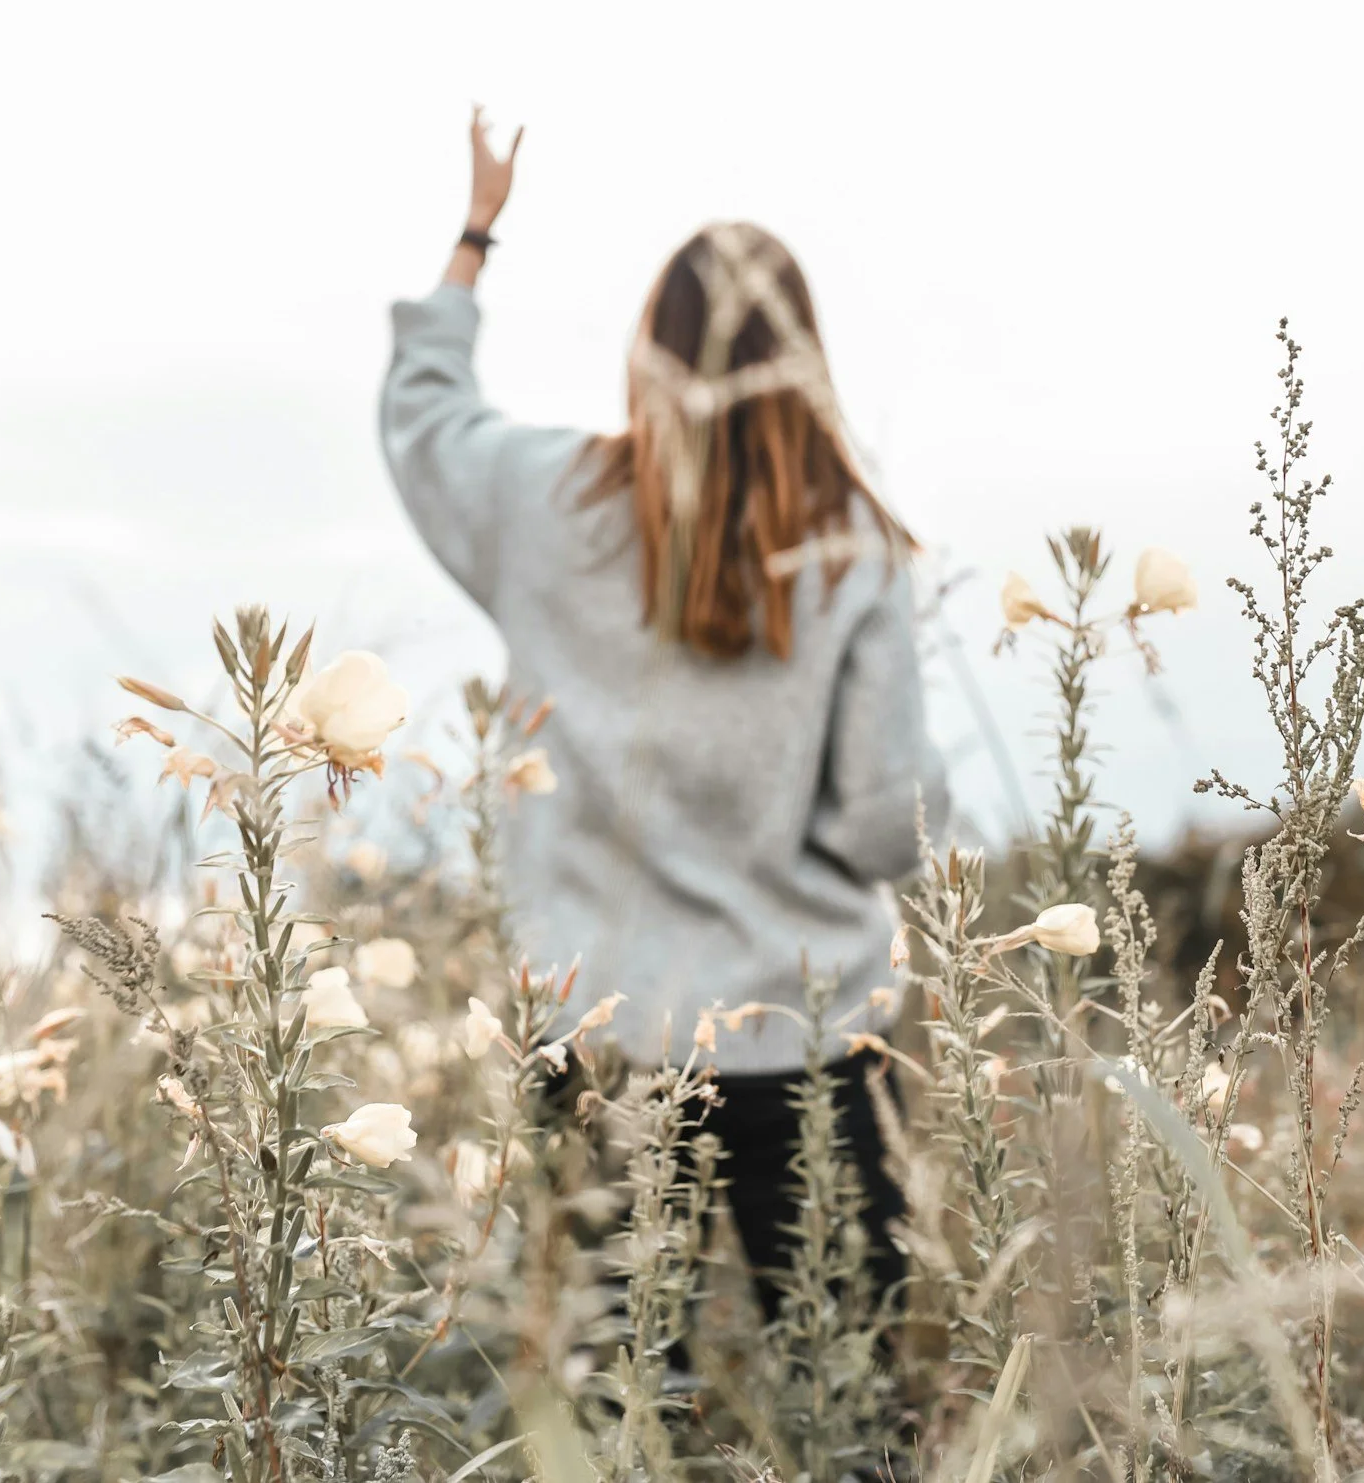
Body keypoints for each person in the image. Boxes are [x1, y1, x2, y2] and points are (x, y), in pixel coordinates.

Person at [379, 109, 947, 1314]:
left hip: (591, 1039)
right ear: (810, 357)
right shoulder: (852, 554)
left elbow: (425, 415)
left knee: (612, 1401)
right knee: (847, 1399)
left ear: (648, 347)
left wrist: (477, 232)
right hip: (808, 1042)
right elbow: (889, 823)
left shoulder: (545, 502)